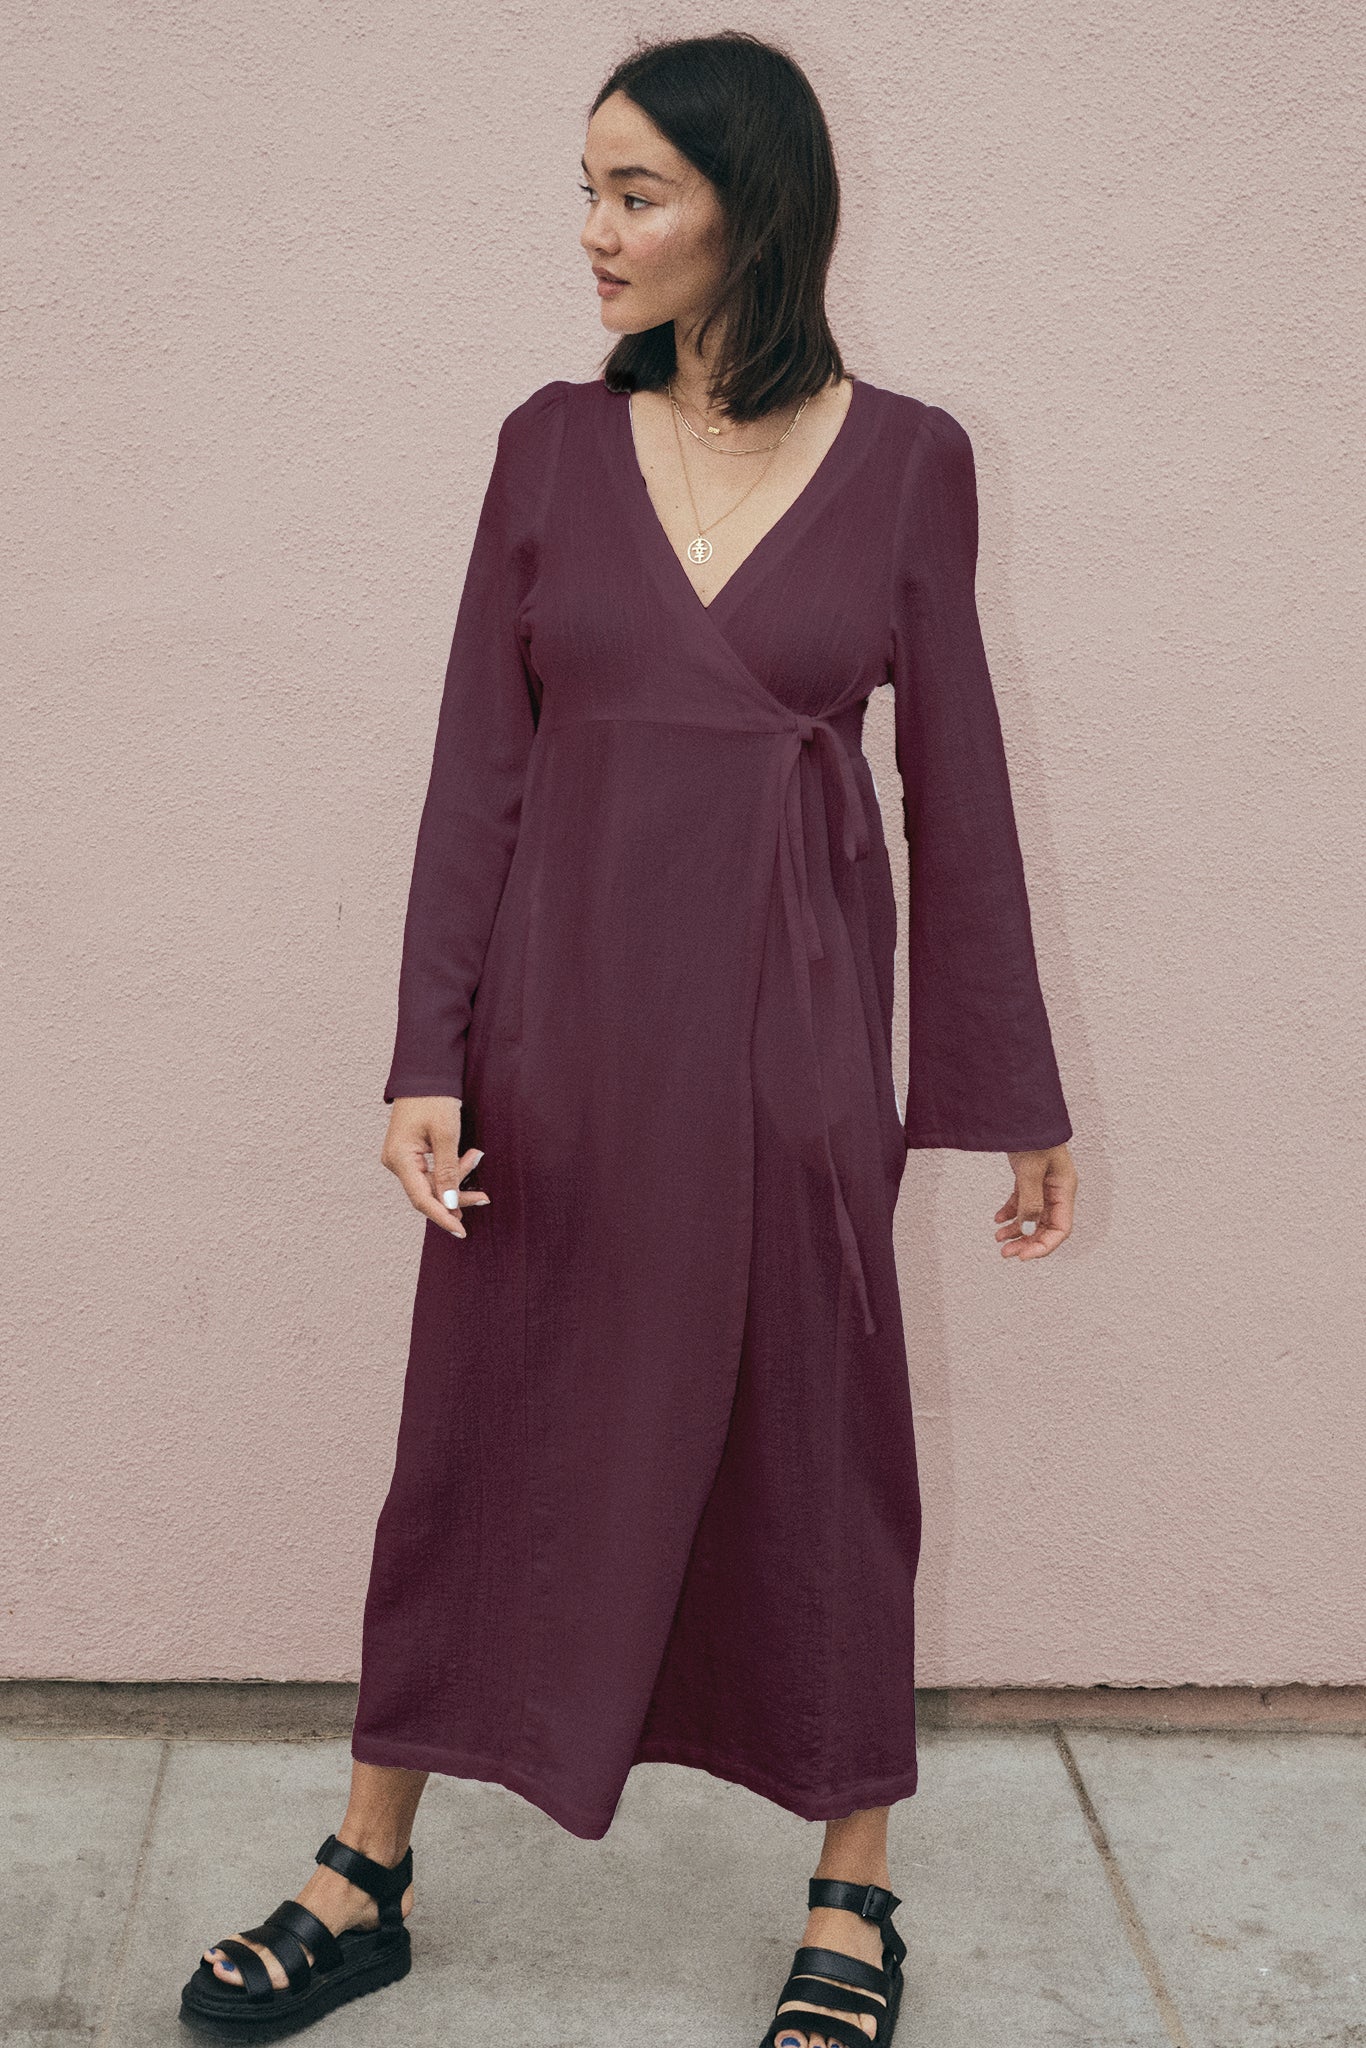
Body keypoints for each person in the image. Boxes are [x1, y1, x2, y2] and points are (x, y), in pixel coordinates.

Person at [178, 29, 1077, 2048]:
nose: (586, 231)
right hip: (553, 1051)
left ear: (749, 208)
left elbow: (961, 780)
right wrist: (426, 1053)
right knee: (472, 1446)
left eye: (631, 191)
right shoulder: (544, 446)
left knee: (812, 1460)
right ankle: (363, 1869)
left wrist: (998, 1091)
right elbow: (472, 771)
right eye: (583, 187)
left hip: (785, 1065)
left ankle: (851, 1898)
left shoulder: (911, 455)